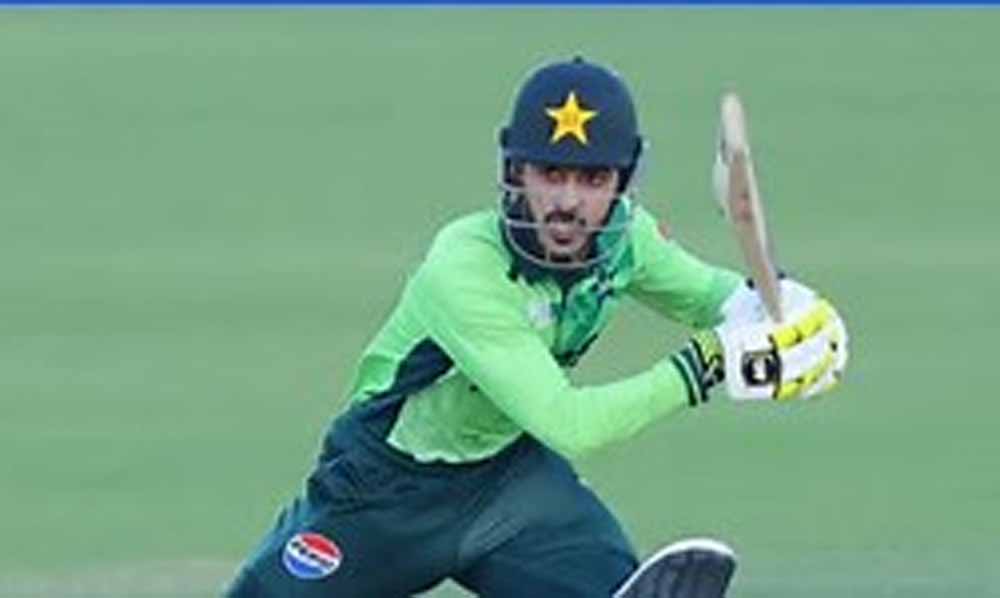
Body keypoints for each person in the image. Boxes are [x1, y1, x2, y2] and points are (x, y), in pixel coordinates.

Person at [225, 55, 848, 598]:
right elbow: (570, 425)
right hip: (382, 492)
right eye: (550, 173)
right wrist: (711, 362)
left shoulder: (626, 241)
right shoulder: (464, 268)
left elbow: (717, 298)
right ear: (514, 173)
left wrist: (788, 311)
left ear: (623, 182)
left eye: (592, 179)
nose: (568, 202)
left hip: (509, 484)